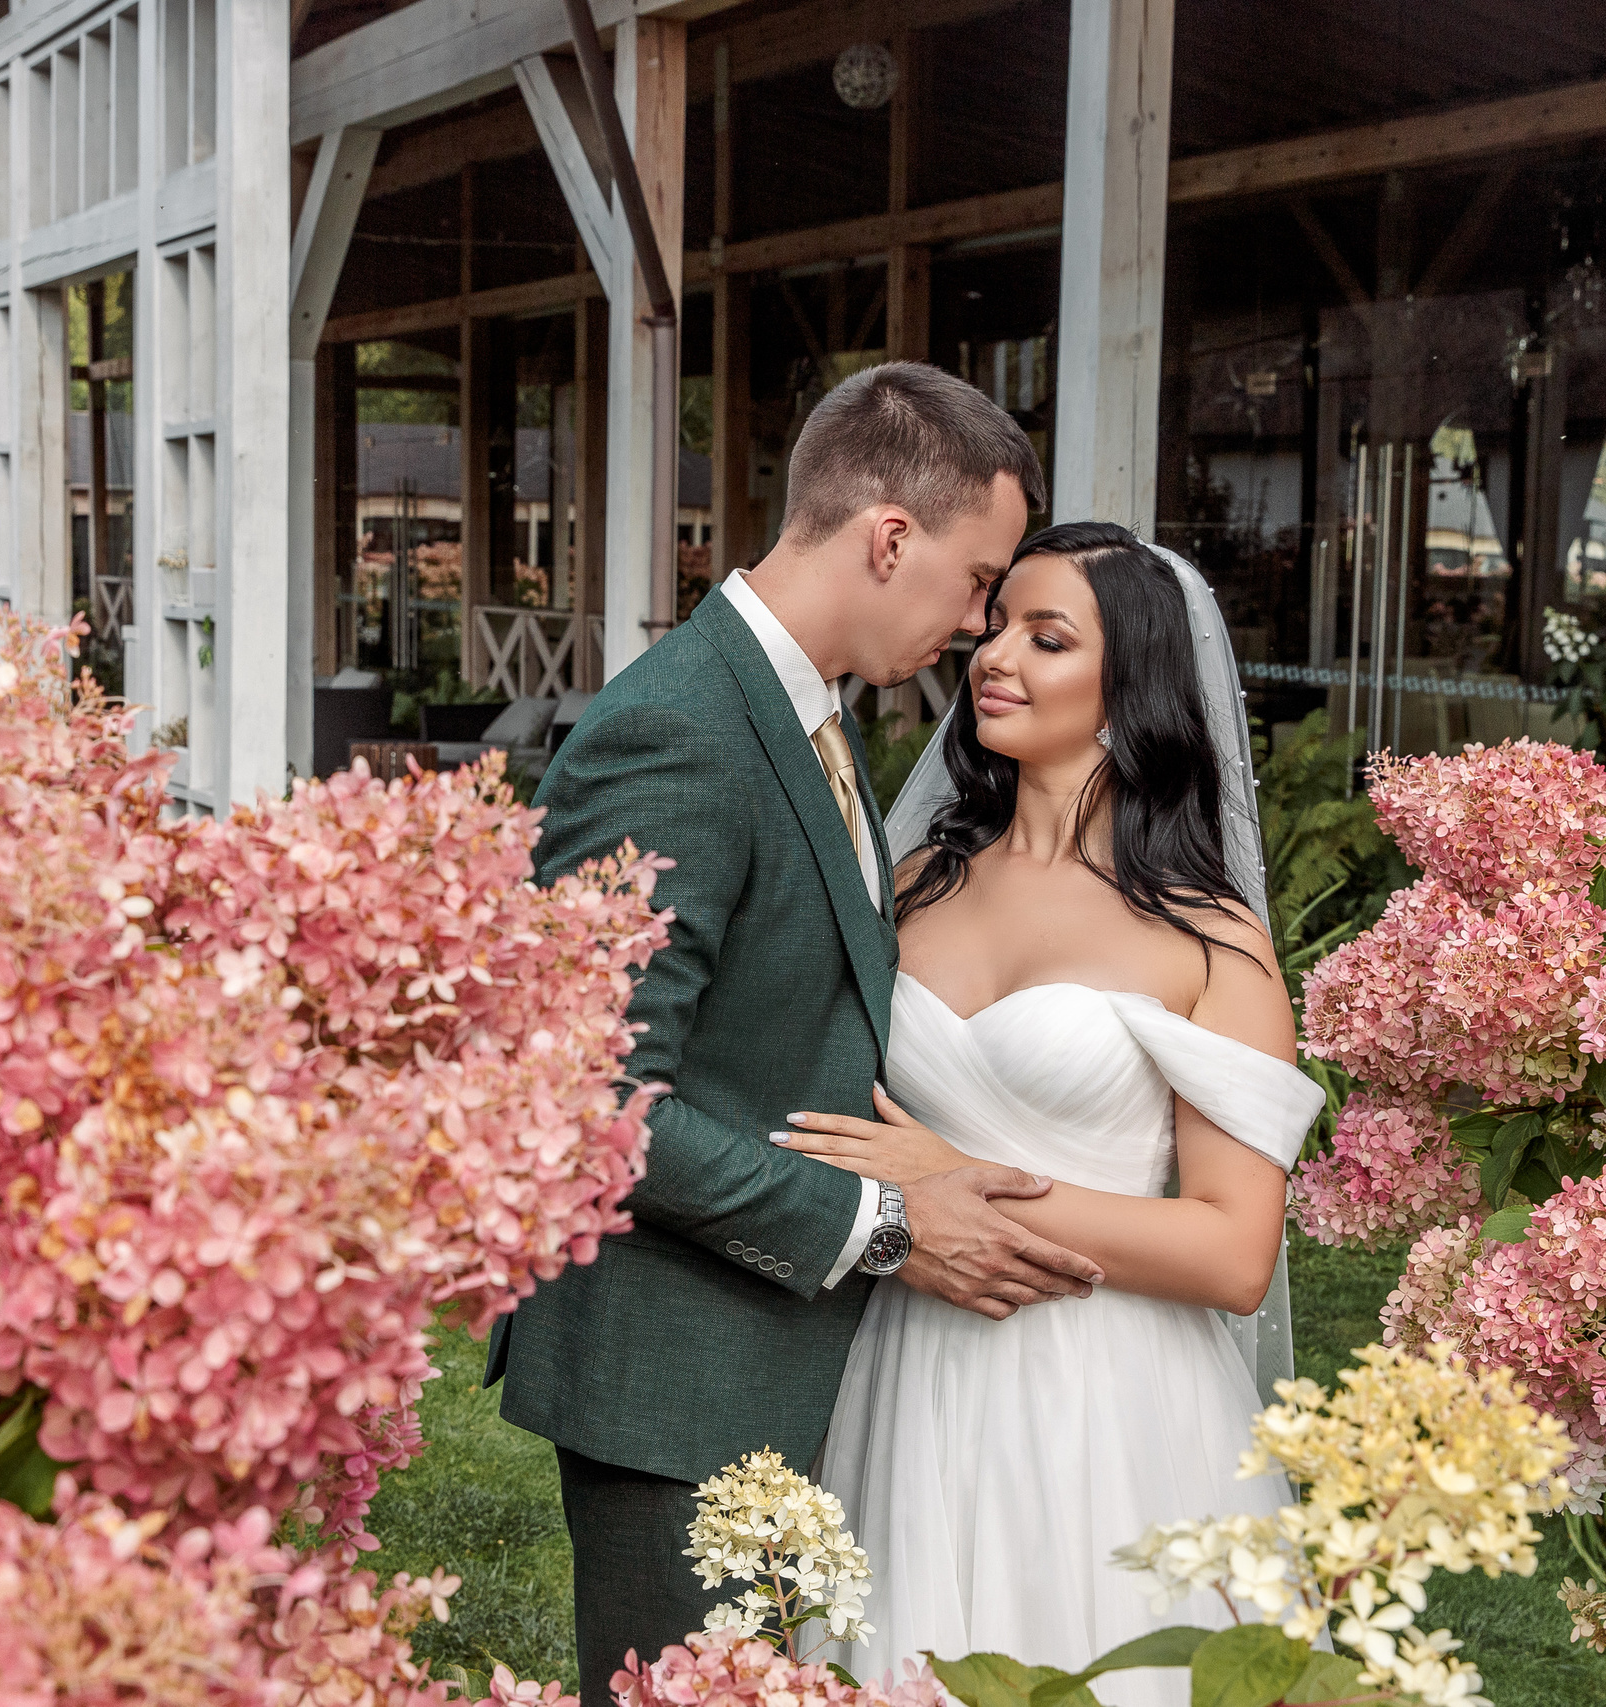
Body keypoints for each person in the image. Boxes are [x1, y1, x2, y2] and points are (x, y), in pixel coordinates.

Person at [484, 363, 1105, 1690]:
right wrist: (881, 1221)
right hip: (675, 1390)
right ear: (890, 537)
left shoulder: (810, 710)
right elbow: (593, 1100)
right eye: (977, 576)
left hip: (770, 1368)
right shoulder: (676, 727)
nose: (982, 622)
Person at [775, 522, 1326, 1706]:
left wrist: (950, 1178)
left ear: (1129, 685)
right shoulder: (912, 883)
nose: (992, 654)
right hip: (906, 1364)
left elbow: (1235, 1252)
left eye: (1047, 635)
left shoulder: (1204, 936)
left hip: (1105, 1395)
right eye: (996, 623)